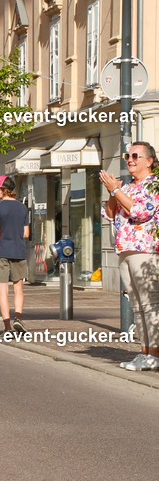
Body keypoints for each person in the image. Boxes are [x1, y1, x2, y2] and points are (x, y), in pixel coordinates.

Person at [101, 142, 159, 371]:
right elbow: (110, 214)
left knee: (150, 303)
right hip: (125, 248)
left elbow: (140, 212)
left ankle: (154, 353)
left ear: (149, 160)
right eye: (128, 155)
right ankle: (144, 352)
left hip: (145, 250)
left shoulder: (153, 184)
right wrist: (112, 191)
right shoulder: (128, 186)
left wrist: (116, 190)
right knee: (136, 305)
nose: (130, 159)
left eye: (136, 155)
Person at [0, 175, 30, 335]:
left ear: (3, 190)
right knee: (18, 289)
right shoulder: (22, 208)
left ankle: (7, 327)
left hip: (1, 252)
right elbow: (26, 233)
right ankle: (18, 318)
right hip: (18, 251)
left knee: (2, 291)